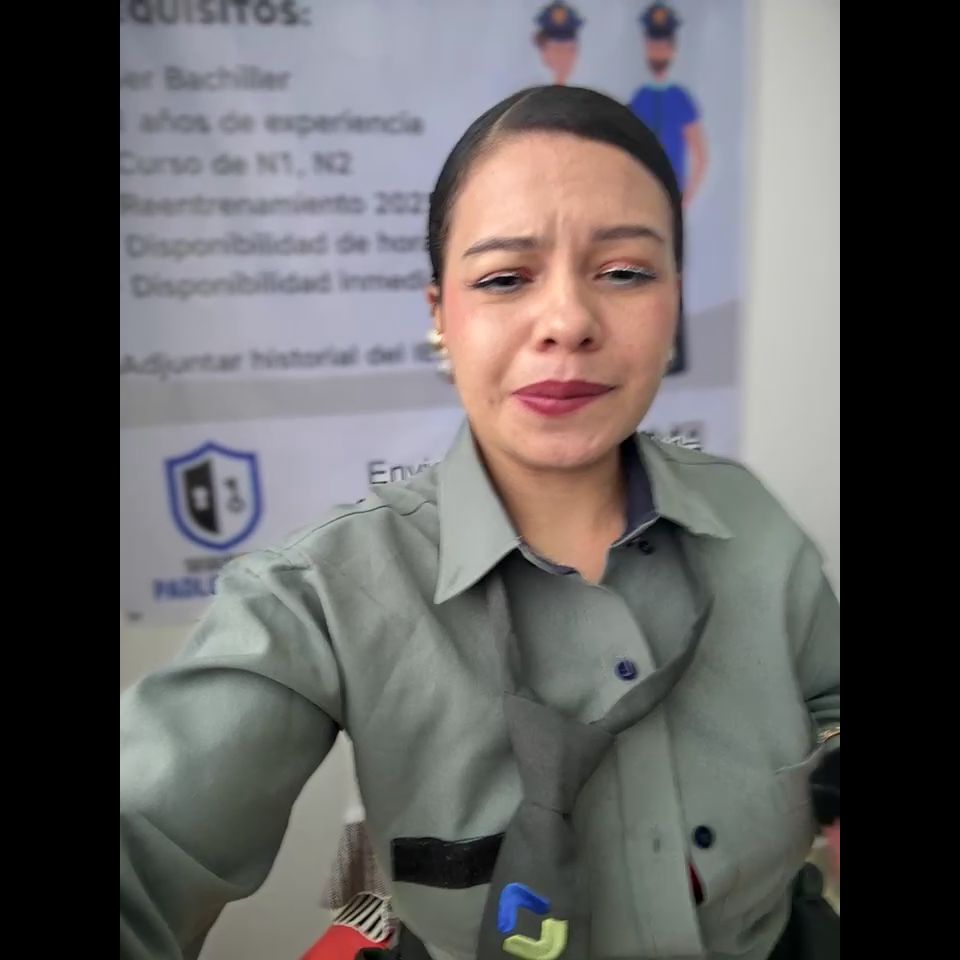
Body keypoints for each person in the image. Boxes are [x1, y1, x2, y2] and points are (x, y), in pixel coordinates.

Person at [120, 85, 839, 960]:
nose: (568, 322)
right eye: (504, 278)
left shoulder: (749, 518)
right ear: (439, 315)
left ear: (674, 301)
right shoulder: (321, 596)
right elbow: (144, 842)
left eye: (624, 272)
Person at [628, 3, 708, 207]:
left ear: (673, 50)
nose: (658, 54)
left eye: (663, 47)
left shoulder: (680, 99)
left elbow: (700, 155)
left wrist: (685, 199)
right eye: (654, 47)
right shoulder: (639, 99)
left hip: (672, 194)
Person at [532, 2, 583, 86]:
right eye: (556, 14)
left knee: (564, 69)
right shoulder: (546, 20)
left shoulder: (571, 22)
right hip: (552, 45)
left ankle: (559, 84)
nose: (559, 16)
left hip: (567, 46)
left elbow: (578, 23)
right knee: (553, 64)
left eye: (561, 14)